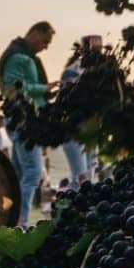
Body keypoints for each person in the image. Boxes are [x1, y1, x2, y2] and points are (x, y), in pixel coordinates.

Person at [0, 21, 58, 227]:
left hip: (25, 119)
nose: (46, 46)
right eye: (45, 41)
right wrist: (43, 88)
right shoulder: (18, 57)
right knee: (33, 171)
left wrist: (45, 90)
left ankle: (9, 217)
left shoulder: (22, 56)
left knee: (18, 172)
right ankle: (19, 220)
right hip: (24, 119)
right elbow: (14, 87)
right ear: (34, 33)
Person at [58, 33, 103, 189]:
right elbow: (69, 100)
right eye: (94, 49)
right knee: (80, 178)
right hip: (74, 129)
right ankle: (67, 209)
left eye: (99, 49)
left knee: (87, 177)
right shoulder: (72, 71)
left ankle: (76, 210)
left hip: (91, 131)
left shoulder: (102, 71)